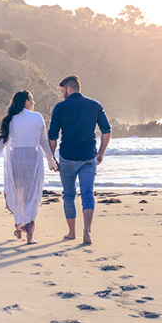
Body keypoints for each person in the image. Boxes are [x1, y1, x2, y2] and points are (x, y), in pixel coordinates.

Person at [0, 90, 58, 244]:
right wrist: (51, 161)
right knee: (31, 197)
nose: (34, 103)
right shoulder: (37, 117)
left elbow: (0, 143)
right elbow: (43, 142)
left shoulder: (10, 119)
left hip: (16, 160)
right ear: (26, 100)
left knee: (19, 196)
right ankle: (29, 236)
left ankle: (19, 228)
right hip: (32, 160)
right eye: (32, 99)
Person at [48, 75, 111, 245]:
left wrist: (52, 158)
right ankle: (87, 231)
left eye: (63, 91)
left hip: (67, 157)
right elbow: (106, 130)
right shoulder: (95, 105)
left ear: (69, 89)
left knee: (69, 195)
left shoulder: (60, 107)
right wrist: (101, 153)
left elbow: (52, 136)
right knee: (88, 194)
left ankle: (71, 232)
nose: (62, 95)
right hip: (88, 157)